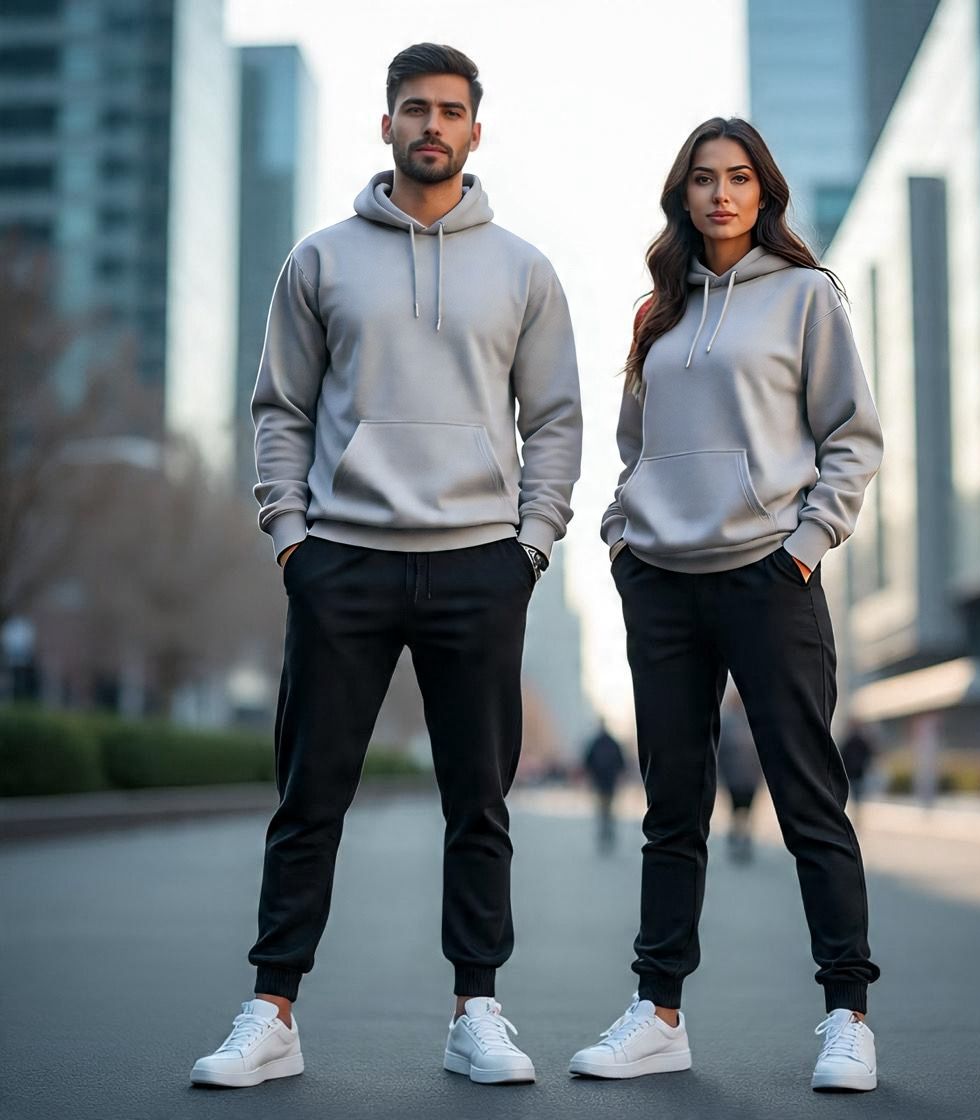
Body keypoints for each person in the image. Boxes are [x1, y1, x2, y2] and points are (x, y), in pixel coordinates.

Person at [190, 43, 582, 1089]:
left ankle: (478, 1011)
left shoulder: (524, 269)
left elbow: (553, 421)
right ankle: (271, 1011)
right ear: (387, 124)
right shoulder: (320, 259)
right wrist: (291, 540)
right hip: (345, 560)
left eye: (451, 111)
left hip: (477, 565)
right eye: (415, 108)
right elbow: (280, 408)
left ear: (475, 130)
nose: (432, 126)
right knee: (309, 793)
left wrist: (530, 543)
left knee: (478, 804)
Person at [569, 117, 883, 1091]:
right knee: (671, 808)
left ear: (764, 192)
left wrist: (803, 547)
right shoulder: (654, 314)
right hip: (661, 582)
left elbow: (853, 437)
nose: (720, 195)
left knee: (807, 800)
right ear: (683, 196)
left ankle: (847, 1017)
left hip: (766, 578)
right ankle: (657, 1012)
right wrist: (624, 536)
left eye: (738, 178)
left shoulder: (805, 297)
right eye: (703, 179)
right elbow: (636, 443)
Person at [717, 686, 762, 864]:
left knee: (749, 813)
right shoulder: (727, 721)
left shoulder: (753, 719)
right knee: (736, 812)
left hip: (750, 778)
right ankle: (736, 843)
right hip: (733, 778)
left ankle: (746, 844)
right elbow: (720, 752)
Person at [583, 721, 627, 853]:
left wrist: (591, 775)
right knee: (609, 809)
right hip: (610, 782)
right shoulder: (613, 742)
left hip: (599, 782)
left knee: (602, 809)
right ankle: (609, 832)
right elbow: (622, 762)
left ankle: (604, 833)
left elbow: (587, 761)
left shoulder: (595, 742)